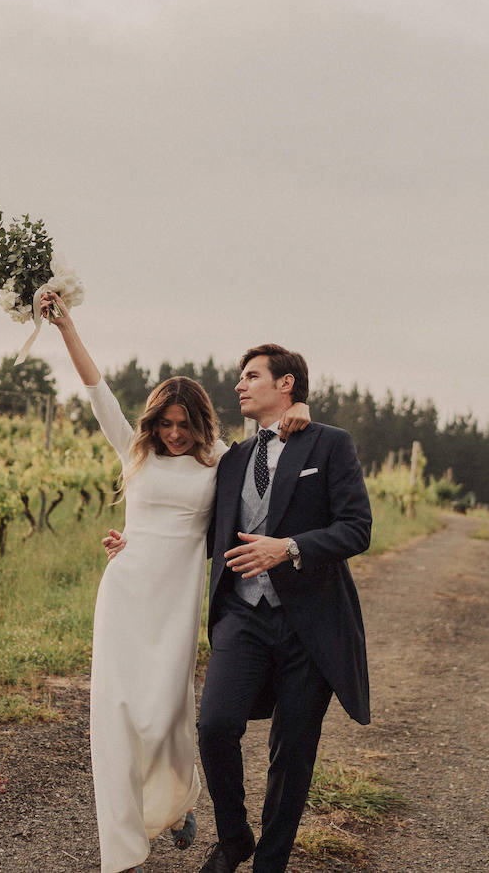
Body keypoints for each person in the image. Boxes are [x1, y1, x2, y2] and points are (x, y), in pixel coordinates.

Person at [40, 293, 309, 873]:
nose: (175, 433)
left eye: (185, 424)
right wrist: (67, 326)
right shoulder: (131, 451)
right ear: (152, 422)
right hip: (126, 591)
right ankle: (122, 847)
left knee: (166, 715)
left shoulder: (220, 459)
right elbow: (96, 389)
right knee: (115, 716)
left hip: (177, 600)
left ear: (201, 424)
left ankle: (177, 802)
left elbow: (276, 448)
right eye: (165, 423)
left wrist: (302, 414)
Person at [111, 344, 373, 873]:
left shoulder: (330, 445)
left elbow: (357, 528)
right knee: (215, 726)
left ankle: (270, 863)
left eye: (251, 376)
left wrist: (290, 548)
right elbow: (200, 534)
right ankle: (234, 837)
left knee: (292, 749)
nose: (239, 385)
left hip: (311, 624)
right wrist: (137, 544)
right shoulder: (229, 461)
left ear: (286, 386)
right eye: (240, 377)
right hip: (243, 616)